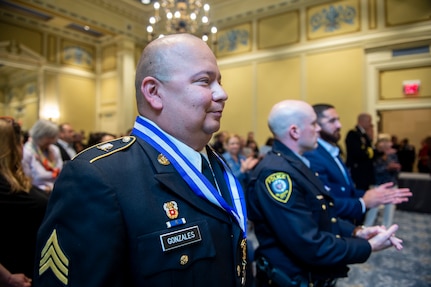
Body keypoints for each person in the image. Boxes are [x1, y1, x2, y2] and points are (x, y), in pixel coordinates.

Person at [33, 34, 247, 287]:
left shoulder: (213, 164)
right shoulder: (98, 177)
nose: (222, 94)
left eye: (219, 82)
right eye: (204, 81)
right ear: (154, 92)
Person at [247, 100, 404, 287]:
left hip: (311, 276)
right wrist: (369, 246)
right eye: (313, 124)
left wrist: (358, 232)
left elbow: (320, 215)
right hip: (291, 279)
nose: (318, 130)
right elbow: (309, 244)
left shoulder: (294, 164)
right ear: (294, 131)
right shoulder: (277, 175)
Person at [303, 104, 411, 224]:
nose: (339, 125)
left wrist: (370, 194)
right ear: (316, 125)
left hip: (345, 222)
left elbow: (345, 190)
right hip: (334, 225)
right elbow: (325, 201)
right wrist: (363, 203)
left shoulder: (333, 150)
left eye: (338, 120)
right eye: (332, 121)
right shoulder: (312, 154)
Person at [0, 117, 48, 281]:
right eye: (21, 143)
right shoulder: (4, 186)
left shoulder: (13, 180)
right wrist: (7, 278)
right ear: (11, 147)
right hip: (15, 273)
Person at [364, 134, 401, 228]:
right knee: (373, 208)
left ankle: (386, 228)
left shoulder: (392, 155)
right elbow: (375, 169)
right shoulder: (376, 154)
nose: (390, 144)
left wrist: (395, 168)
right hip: (379, 184)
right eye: (388, 142)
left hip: (391, 183)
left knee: (390, 208)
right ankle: (366, 227)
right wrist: (387, 167)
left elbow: (397, 169)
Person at [22, 119, 63, 193]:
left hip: (57, 190)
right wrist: (45, 189)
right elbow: (27, 180)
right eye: (49, 137)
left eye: (53, 137)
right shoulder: (27, 152)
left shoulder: (54, 150)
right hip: (38, 192)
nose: (52, 140)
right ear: (39, 135)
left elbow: (60, 172)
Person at [345, 113, 375, 190]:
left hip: (365, 171)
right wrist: (369, 152)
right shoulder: (353, 134)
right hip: (358, 171)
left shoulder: (364, 135)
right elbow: (357, 152)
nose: (370, 124)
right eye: (369, 121)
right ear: (362, 121)